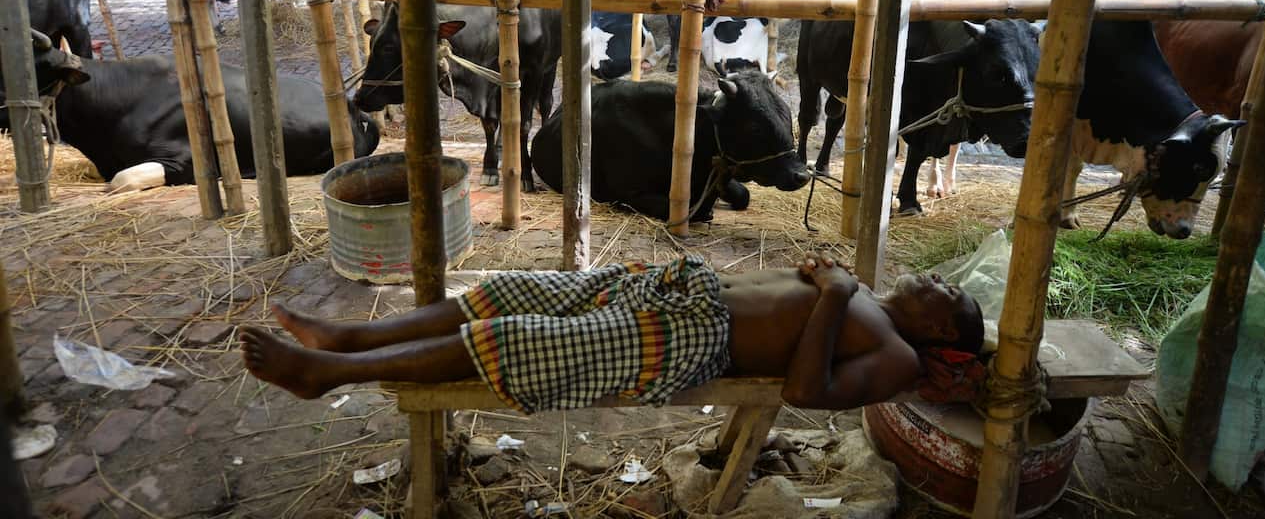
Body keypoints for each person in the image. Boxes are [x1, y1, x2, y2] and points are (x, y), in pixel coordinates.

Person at [240, 254, 983, 412]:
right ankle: (348, 338)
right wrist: (827, 283)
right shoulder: (859, 293)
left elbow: (806, 392)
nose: (937, 277)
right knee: (509, 290)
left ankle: (327, 374)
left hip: (691, 343)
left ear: (941, 327)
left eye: (947, 292)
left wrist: (835, 294)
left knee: (522, 337)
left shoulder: (895, 356)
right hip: (671, 289)